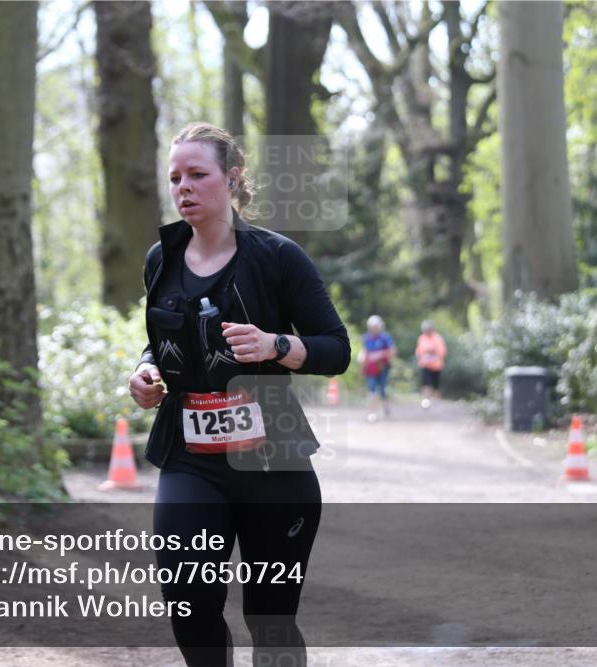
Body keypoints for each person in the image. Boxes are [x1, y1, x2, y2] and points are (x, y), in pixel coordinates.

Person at [127, 121, 350, 667]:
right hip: (189, 455)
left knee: (269, 618)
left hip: (272, 455)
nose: (184, 187)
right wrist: (144, 370)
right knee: (188, 597)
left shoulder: (277, 257)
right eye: (175, 177)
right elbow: (161, 341)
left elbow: (336, 349)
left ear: (231, 179)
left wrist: (275, 345)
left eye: (197, 174)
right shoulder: (162, 260)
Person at [358, 315, 396, 422]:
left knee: (383, 389)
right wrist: (362, 367)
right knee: (371, 390)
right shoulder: (366, 338)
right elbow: (365, 353)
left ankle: (385, 407)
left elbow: (393, 351)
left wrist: (379, 354)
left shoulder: (385, 337)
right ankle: (372, 413)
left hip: (383, 368)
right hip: (371, 369)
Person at [415, 319, 446, 408]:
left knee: (435, 386)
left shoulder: (437, 338)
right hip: (425, 365)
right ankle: (426, 401)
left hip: (436, 366)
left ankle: (437, 402)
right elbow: (419, 351)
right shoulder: (422, 338)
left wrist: (432, 351)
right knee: (426, 384)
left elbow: (441, 351)